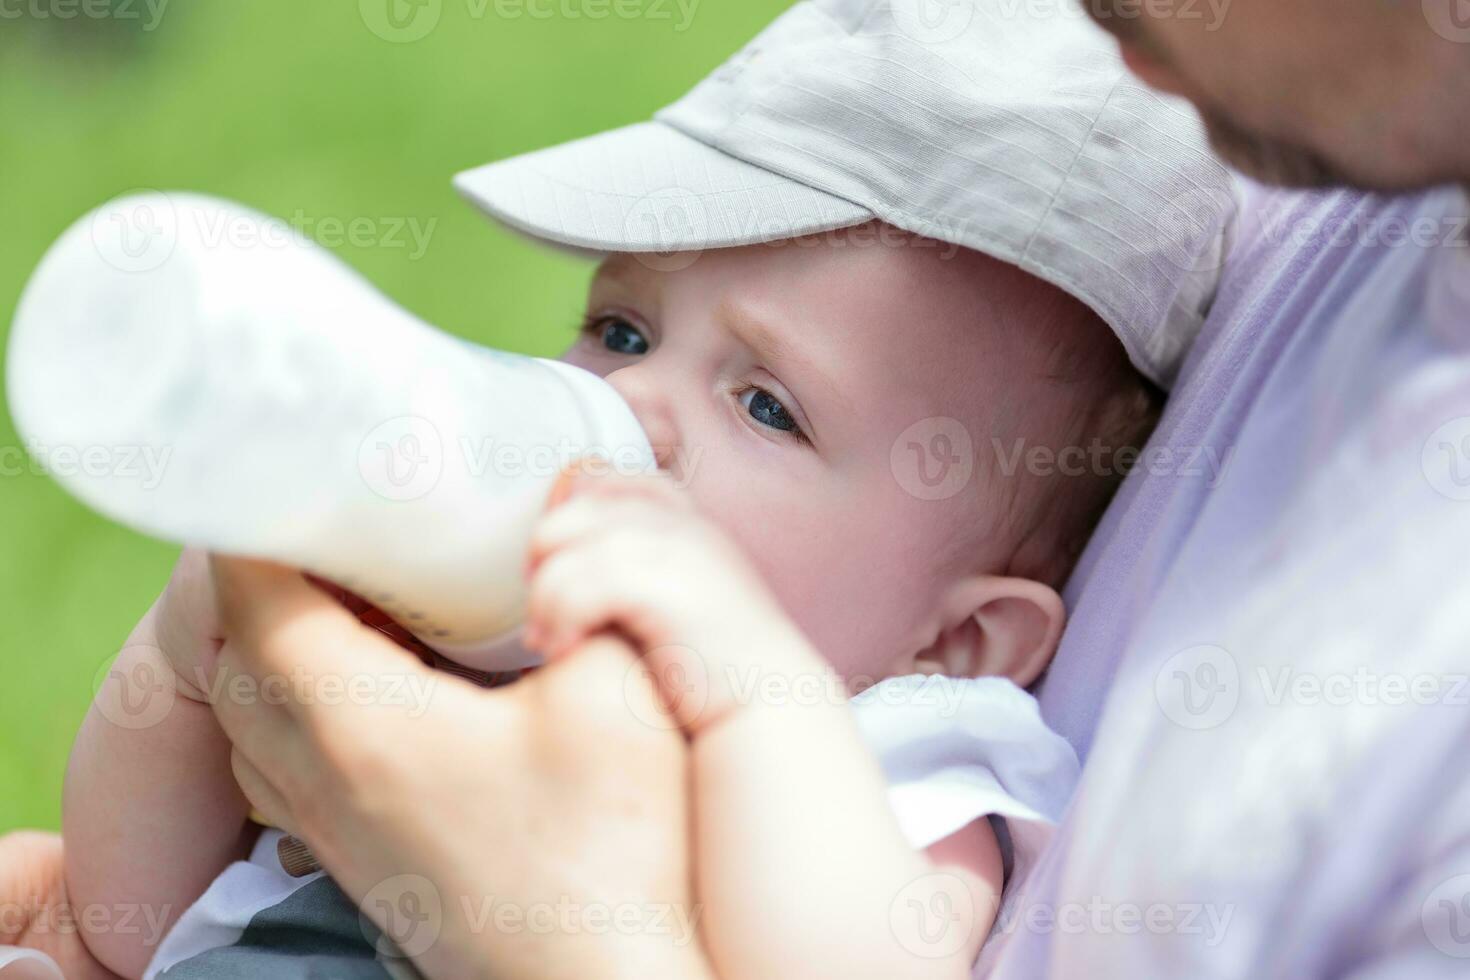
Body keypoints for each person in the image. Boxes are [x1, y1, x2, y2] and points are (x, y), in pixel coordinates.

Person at [10, 0, 1467, 978]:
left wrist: (737, 685)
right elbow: (132, 921)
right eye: (623, 327)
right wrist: (203, 647)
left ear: (960, 638)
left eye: (766, 405)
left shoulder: (907, 756)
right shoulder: (462, 646)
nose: (633, 403)